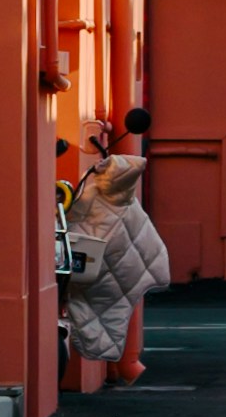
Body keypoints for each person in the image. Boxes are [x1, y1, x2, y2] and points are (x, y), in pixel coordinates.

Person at [60, 122, 170, 386]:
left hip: (100, 267)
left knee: (91, 302)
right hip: (117, 268)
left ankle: (104, 348)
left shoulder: (93, 195)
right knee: (98, 304)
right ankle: (106, 349)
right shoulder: (115, 197)